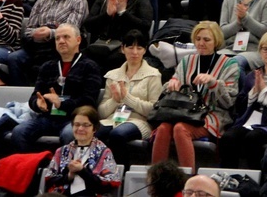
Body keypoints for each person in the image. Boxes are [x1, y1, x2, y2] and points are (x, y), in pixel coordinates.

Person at [151, 22, 239, 169]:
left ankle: (188, 178)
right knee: (163, 128)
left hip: (212, 113)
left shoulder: (230, 65)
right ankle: (156, 177)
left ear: (216, 41)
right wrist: (172, 83)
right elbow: (169, 87)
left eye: (206, 39)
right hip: (184, 111)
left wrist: (214, 83)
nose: (201, 43)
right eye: (198, 39)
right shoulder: (187, 61)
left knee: (180, 129)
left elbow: (228, 103)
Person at [10, 23, 103, 152]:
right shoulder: (47, 66)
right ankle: (33, 166)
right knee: (19, 131)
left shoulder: (90, 66)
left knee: (69, 134)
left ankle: (64, 170)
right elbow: (34, 96)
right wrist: (37, 104)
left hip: (74, 119)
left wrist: (62, 104)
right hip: (48, 117)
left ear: (78, 40)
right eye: (58, 38)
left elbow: (89, 101)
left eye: (66, 37)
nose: (61, 41)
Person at [219, 31, 267, 169]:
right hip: (249, 120)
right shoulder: (252, 75)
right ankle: (228, 175)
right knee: (228, 137)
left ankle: (254, 178)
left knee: (252, 138)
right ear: (260, 51)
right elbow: (241, 105)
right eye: (265, 49)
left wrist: (265, 91)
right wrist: (255, 91)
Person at [6, 0, 89, 86]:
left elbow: (72, 31)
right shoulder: (41, 2)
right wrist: (36, 33)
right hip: (37, 47)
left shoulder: (79, 1)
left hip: (60, 48)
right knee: (14, 58)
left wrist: (49, 33)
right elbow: (28, 30)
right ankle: (22, 95)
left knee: (53, 58)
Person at [97, 30, 163, 167]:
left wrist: (127, 98)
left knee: (118, 135)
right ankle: (98, 171)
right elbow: (102, 112)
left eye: (139, 48)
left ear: (145, 50)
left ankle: (120, 173)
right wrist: (114, 100)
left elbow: (154, 110)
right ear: (122, 49)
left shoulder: (153, 75)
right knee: (96, 132)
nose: (135, 52)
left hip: (139, 121)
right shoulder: (112, 75)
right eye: (130, 47)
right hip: (113, 119)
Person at [83, 0, 153, 74]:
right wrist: (107, 14)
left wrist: (123, 13)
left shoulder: (141, 0)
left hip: (125, 48)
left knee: (113, 60)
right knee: (84, 58)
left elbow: (145, 26)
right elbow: (88, 26)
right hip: (101, 45)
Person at [44, 105, 122, 195]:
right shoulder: (61, 151)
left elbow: (108, 185)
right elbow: (49, 180)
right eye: (76, 125)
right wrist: (69, 176)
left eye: (86, 125)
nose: (80, 129)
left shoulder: (104, 152)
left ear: (94, 128)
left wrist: (82, 171)